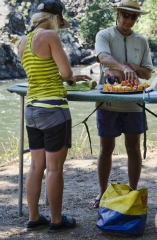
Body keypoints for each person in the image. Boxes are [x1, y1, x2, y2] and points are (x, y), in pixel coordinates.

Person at [17, 0, 91, 232]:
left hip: (32, 108)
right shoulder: (49, 35)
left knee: (36, 167)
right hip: (53, 110)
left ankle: (34, 218)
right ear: (56, 18)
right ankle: (57, 221)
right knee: (55, 168)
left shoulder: (22, 41)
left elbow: (41, 73)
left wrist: (67, 78)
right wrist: (70, 78)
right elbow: (65, 71)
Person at [89, 0, 153, 209]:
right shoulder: (104, 35)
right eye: (125, 15)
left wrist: (133, 67)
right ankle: (101, 193)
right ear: (118, 14)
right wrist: (122, 68)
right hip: (108, 102)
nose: (129, 20)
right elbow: (103, 57)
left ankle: (133, 191)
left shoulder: (141, 41)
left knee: (133, 148)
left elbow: (147, 72)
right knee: (106, 148)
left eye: (133, 16)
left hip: (135, 103)